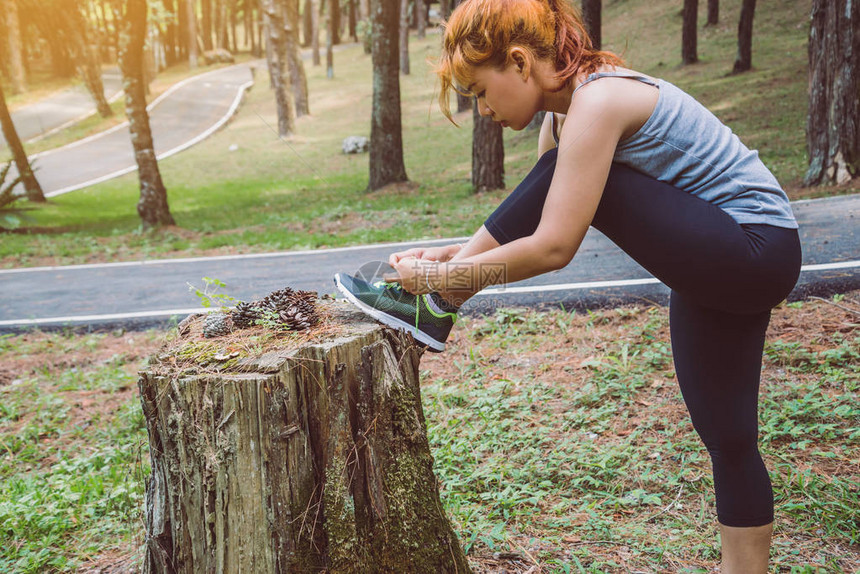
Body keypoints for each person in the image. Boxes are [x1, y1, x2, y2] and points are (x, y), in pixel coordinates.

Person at [333, 0, 801, 570]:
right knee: (729, 440)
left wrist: (442, 278)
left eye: (481, 90)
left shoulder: (599, 100)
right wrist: (450, 255)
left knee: (554, 175)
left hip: (756, 246)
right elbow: (533, 223)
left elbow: (556, 245)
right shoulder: (563, 121)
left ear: (521, 62)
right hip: (713, 264)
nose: (483, 111)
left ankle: (435, 302)